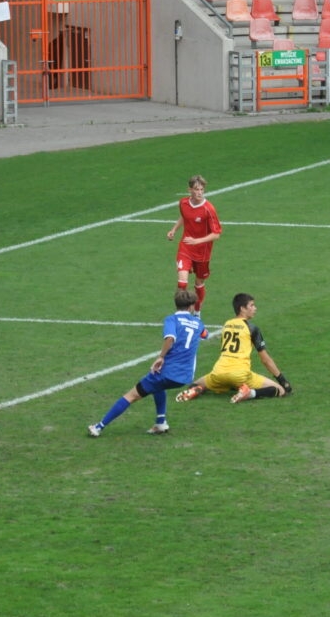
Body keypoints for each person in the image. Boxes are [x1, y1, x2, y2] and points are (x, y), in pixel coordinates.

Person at [89, 289, 205, 437]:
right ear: (191, 306)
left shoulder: (171, 320)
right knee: (158, 386)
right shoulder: (198, 323)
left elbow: (170, 338)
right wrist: (195, 321)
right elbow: (204, 334)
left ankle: (98, 427)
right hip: (185, 376)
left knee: (131, 395)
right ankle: (161, 423)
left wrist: (161, 357)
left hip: (168, 373)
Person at [176, 293, 291, 404]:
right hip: (240, 375)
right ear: (242, 308)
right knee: (279, 390)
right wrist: (282, 380)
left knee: (196, 384)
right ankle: (249, 393)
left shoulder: (226, 325)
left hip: (218, 373)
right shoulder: (252, 328)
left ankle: (198, 390)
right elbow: (265, 360)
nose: (255, 308)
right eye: (251, 305)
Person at [167, 174, 221, 311]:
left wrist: (197, 241)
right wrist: (173, 229)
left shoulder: (209, 209)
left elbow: (216, 234)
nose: (199, 192)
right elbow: (184, 217)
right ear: (190, 190)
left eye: (202, 189)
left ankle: (196, 312)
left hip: (202, 252)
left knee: (199, 284)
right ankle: (181, 313)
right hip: (185, 247)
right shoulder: (183, 203)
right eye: (196, 189)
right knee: (182, 283)